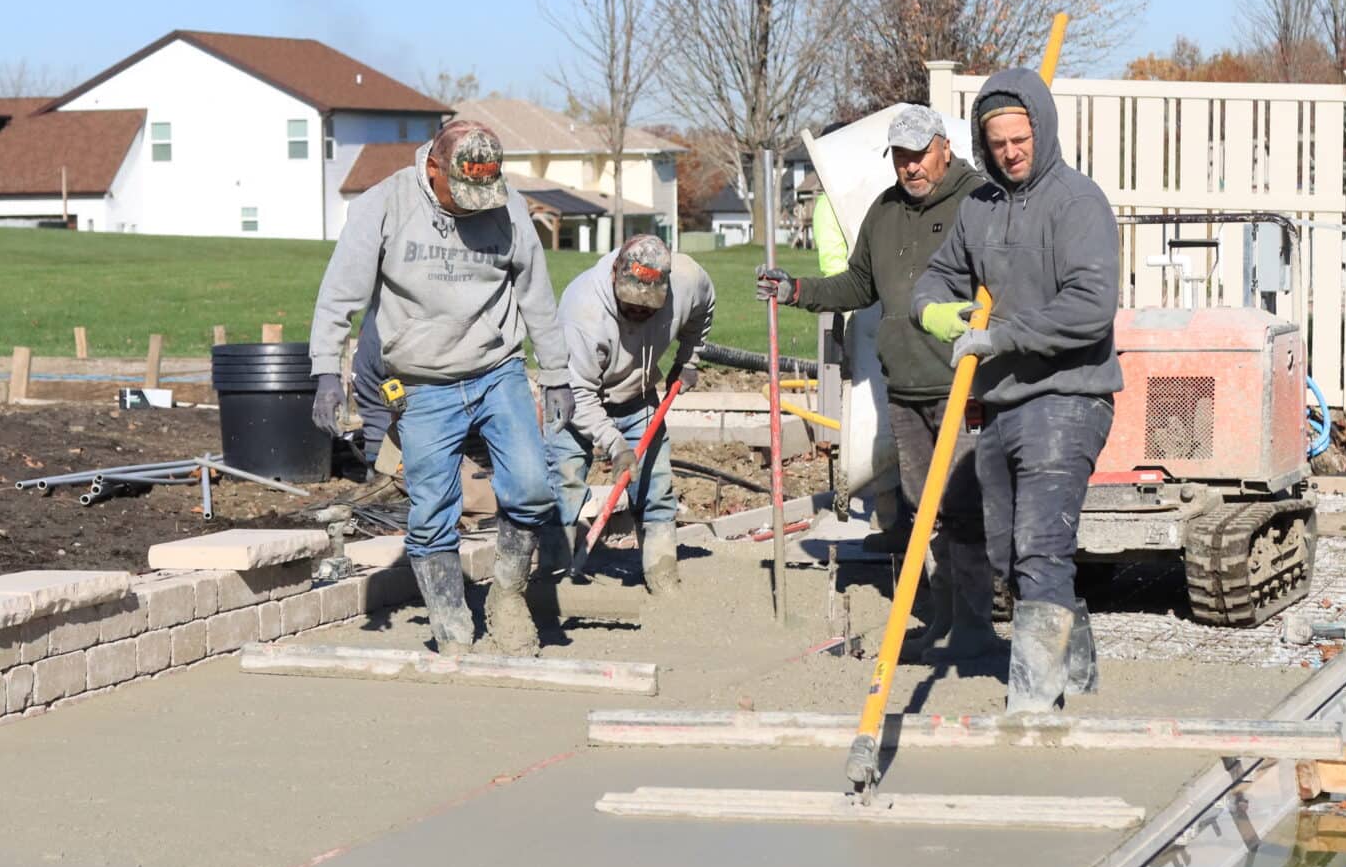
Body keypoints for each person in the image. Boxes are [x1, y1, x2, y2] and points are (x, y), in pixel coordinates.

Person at [308, 120, 570, 656]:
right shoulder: (384, 206)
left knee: (532, 488)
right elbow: (339, 295)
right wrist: (326, 373)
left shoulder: (508, 206)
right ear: (433, 168)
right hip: (422, 382)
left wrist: (557, 373)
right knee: (431, 513)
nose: (476, 206)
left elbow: (536, 294)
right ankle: (452, 630)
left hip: (497, 369)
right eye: (463, 193)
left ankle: (507, 598)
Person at [913, 67, 1123, 711]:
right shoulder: (979, 207)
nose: (1010, 153)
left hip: (1069, 394)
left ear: (1042, 131)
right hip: (1003, 399)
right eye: (997, 143)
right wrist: (934, 311)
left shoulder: (1078, 203)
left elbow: (1090, 307)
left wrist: (1000, 337)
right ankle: (1077, 672)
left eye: (1020, 140)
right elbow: (937, 276)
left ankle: (1034, 705)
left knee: (1039, 547)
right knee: (1009, 552)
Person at [753, 106, 995, 654]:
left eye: (919, 154)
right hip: (905, 387)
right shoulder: (885, 211)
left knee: (963, 506)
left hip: (961, 384)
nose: (910, 166)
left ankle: (975, 625)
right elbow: (858, 284)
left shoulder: (978, 203)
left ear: (944, 148)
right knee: (923, 508)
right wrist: (796, 291)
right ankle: (945, 617)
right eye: (901, 156)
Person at [548, 234, 714, 594]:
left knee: (656, 488)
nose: (639, 312)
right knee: (564, 485)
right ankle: (554, 580)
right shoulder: (583, 310)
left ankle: (662, 575)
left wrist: (689, 358)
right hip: (574, 399)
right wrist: (615, 445)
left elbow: (704, 307)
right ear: (614, 276)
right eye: (630, 303)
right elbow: (579, 394)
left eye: (648, 306)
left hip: (638, 398)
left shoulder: (687, 280)